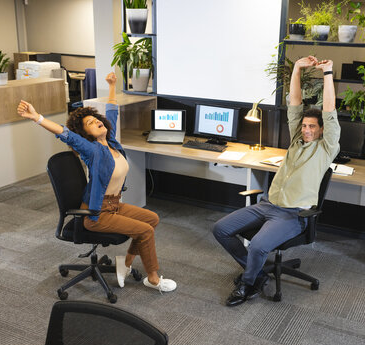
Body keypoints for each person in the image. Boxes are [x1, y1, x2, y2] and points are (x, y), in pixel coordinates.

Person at [17, 72, 176, 293]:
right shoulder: (92, 150)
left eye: (97, 119)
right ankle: (153, 279)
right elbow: (65, 134)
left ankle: (126, 264)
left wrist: (112, 86)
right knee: (145, 231)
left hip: (114, 206)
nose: (98, 122)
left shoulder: (111, 141)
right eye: (91, 123)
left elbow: (111, 111)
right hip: (97, 213)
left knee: (152, 219)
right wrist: (37, 117)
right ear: (86, 134)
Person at [212, 56, 340, 306]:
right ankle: (257, 273)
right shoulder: (296, 140)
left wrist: (327, 73)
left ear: (322, 129)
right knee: (220, 229)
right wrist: (296, 69)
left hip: (291, 215)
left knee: (258, 246)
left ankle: (248, 286)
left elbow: (329, 109)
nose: (306, 130)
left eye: (312, 127)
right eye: (304, 126)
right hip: (267, 205)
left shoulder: (326, 148)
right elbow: (294, 102)